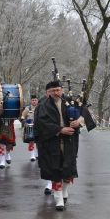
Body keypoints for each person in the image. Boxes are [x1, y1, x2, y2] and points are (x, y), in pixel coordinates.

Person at [34, 80, 85, 211]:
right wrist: (59, 130)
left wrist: (79, 121)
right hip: (51, 143)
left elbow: (84, 114)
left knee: (68, 169)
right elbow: (41, 124)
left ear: (62, 90)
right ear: (47, 93)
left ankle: (64, 191)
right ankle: (58, 199)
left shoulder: (71, 102)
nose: (56, 93)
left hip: (69, 142)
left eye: (58, 90)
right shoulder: (42, 106)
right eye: (52, 91)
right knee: (55, 170)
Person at [20, 95, 39, 162]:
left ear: (37, 101)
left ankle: (37, 154)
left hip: (39, 127)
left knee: (38, 141)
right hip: (30, 127)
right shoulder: (28, 108)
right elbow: (22, 116)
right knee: (31, 141)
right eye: (33, 100)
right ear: (31, 101)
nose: (34, 101)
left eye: (35, 100)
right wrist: (23, 121)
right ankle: (32, 155)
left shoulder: (40, 107)